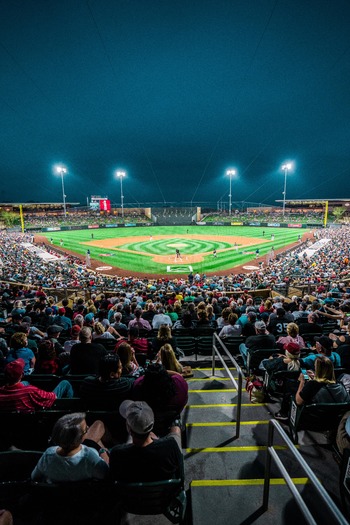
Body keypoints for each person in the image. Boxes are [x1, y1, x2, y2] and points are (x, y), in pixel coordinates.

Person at [108, 400, 183, 483]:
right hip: (164, 494)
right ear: (152, 424)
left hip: (131, 495)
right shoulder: (171, 446)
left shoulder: (117, 454)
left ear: (129, 429)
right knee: (176, 429)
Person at [31, 412, 109, 483]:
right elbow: (105, 474)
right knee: (99, 426)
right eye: (86, 429)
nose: (88, 428)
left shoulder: (48, 455)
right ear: (80, 438)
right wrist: (103, 452)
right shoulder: (90, 456)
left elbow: (34, 476)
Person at [0, 359, 74, 412]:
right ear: (21, 375)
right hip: (30, 427)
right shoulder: (30, 391)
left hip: (6, 429)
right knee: (65, 383)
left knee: (25, 382)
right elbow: (52, 396)